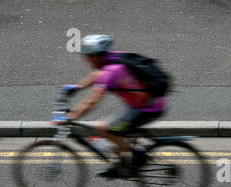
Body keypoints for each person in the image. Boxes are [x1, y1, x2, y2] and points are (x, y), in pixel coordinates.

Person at [59, 35, 168, 178]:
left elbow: (91, 102)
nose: (86, 60)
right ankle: (123, 162)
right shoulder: (114, 58)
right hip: (144, 104)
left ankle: (137, 157)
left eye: (87, 56)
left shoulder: (111, 72)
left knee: (103, 128)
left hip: (146, 109)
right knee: (109, 132)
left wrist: (70, 116)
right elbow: (96, 75)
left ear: (96, 56)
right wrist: (76, 87)